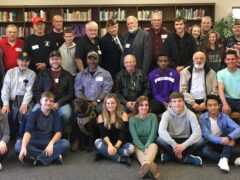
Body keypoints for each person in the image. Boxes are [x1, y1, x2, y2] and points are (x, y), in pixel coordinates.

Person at [15, 91, 70, 166]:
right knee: (18, 146)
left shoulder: (55, 114)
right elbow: (27, 132)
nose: (48, 103)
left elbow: (58, 132)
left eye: (51, 101)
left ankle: (36, 158)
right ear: (41, 101)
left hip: (48, 142)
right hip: (34, 142)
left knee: (65, 143)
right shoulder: (34, 114)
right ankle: (53, 156)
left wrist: (51, 144)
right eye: (46, 100)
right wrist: (24, 147)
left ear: (53, 102)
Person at [157, 92, 203, 166]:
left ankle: (171, 156)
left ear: (184, 102)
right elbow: (161, 131)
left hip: (185, 140)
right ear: (170, 104)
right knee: (159, 139)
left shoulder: (191, 114)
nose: (177, 104)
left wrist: (184, 145)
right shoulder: (166, 114)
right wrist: (174, 144)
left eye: (179, 101)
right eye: (174, 101)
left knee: (201, 140)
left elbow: (197, 132)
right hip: (172, 140)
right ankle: (186, 158)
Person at [199, 94, 240, 172]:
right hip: (211, 142)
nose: (213, 107)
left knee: (231, 130)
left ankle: (224, 159)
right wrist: (221, 140)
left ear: (219, 106)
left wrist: (229, 138)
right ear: (206, 107)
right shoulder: (202, 118)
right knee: (205, 151)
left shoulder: (224, 116)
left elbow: (238, 128)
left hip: (225, 141)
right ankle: (233, 160)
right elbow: (207, 136)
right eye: (210, 105)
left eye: (215, 105)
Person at [32, 50, 74, 126]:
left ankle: (59, 132)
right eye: (53, 59)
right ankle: (43, 133)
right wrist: (44, 102)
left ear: (61, 60)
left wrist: (58, 103)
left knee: (66, 115)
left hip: (61, 103)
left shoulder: (68, 75)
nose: (55, 61)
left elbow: (71, 93)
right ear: (49, 60)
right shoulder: (42, 74)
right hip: (44, 101)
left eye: (57, 59)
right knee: (34, 112)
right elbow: (36, 90)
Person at [1, 52, 36, 138]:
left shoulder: (32, 74)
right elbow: (5, 88)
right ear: (17, 61)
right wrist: (5, 104)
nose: (23, 63)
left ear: (29, 62)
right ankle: (6, 137)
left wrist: (25, 103)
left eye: (26, 61)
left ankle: (22, 137)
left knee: (26, 114)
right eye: (21, 60)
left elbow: (29, 91)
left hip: (25, 99)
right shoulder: (10, 72)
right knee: (5, 114)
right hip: (11, 100)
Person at [94, 94, 134, 165]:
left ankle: (104, 154)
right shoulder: (101, 116)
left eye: (113, 103)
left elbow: (123, 133)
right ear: (105, 104)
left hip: (120, 143)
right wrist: (109, 145)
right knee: (97, 142)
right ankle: (119, 159)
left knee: (131, 148)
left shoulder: (123, 114)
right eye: (108, 103)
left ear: (117, 104)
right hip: (107, 143)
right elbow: (104, 134)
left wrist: (115, 147)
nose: (110, 105)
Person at [129, 96, 160, 180]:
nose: (144, 107)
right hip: (138, 145)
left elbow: (153, 134)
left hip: (150, 144)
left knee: (154, 145)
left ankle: (145, 167)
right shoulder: (132, 120)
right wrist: (143, 148)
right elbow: (135, 139)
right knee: (135, 148)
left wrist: (147, 147)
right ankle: (150, 168)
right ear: (137, 106)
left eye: (146, 105)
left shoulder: (153, 117)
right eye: (141, 105)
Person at [217, 50, 240, 114]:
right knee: (223, 111)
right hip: (227, 99)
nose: (230, 61)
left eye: (233, 59)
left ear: (237, 60)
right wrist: (225, 104)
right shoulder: (220, 73)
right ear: (225, 60)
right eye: (228, 59)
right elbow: (220, 90)